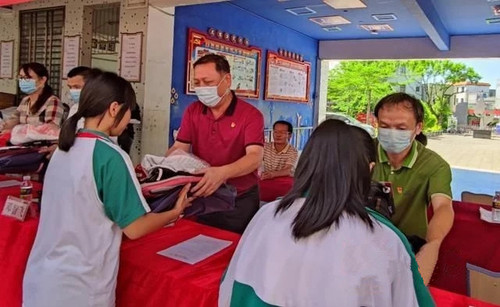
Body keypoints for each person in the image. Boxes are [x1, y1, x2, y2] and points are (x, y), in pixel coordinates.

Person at [220, 119, 434, 307]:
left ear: (306, 162)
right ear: (368, 169)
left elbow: (229, 288)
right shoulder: (384, 239)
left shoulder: (266, 216)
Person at [23, 72, 191, 307]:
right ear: (115, 108)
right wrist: (174, 212)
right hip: (82, 287)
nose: (128, 120)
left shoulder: (63, 148)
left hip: (42, 278)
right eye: (129, 112)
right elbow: (135, 227)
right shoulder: (111, 156)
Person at [166, 54, 264, 234]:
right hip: (202, 194)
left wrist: (222, 173)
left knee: (234, 252)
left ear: (227, 80)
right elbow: (180, 147)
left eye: (207, 81)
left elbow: (255, 157)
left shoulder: (250, 115)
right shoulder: (193, 111)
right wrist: (162, 166)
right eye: (197, 82)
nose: (201, 88)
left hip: (239, 199)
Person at [372, 92, 454, 285]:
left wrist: (432, 244)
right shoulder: (362, 151)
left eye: (401, 128)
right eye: (384, 126)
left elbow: (443, 207)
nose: (391, 133)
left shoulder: (434, 165)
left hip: (409, 247)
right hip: (364, 242)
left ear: (418, 128)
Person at [1, 62, 64, 132]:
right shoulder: (25, 100)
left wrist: (17, 131)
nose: (23, 81)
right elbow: (13, 119)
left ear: (42, 80)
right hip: (22, 141)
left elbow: (51, 129)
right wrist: (4, 126)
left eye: (28, 78)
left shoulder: (53, 101)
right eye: (21, 77)